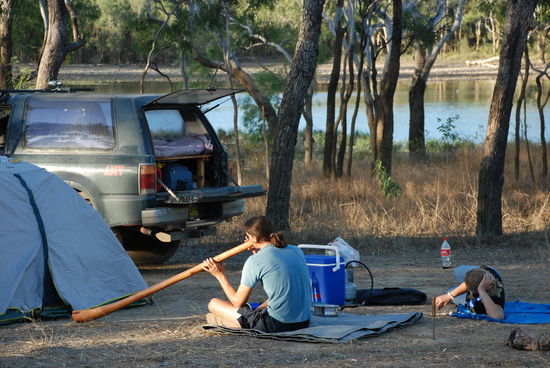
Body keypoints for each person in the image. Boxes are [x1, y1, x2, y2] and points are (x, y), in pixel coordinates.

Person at [202, 216, 312, 332]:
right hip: (304, 321)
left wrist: (220, 275)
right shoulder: (297, 250)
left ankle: (241, 321)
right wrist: (256, 253)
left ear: (254, 237)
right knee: (276, 298)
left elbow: (237, 302)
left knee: (213, 304)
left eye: (247, 236)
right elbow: (273, 271)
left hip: (277, 324)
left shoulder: (254, 261)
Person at [435, 265, 505, 319]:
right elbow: (471, 279)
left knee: (450, 290)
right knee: (458, 271)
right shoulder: (487, 275)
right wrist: (449, 296)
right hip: (488, 271)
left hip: (472, 295)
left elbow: (497, 316)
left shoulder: (494, 298)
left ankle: (460, 286)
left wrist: (482, 291)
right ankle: (466, 278)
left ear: (472, 290)